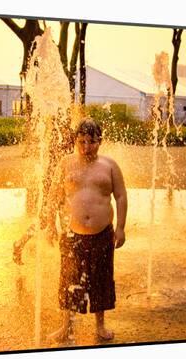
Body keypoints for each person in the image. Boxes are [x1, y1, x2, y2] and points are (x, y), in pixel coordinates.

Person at [46, 118, 127, 342]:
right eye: (81, 141)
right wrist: (50, 224)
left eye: (91, 142)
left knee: (101, 278)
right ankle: (66, 326)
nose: (85, 147)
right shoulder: (65, 163)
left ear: (100, 141)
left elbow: (120, 195)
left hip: (102, 233)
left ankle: (100, 326)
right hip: (73, 234)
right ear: (75, 140)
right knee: (69, 280)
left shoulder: (109, 165)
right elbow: (54, 196)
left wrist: (120, 227)